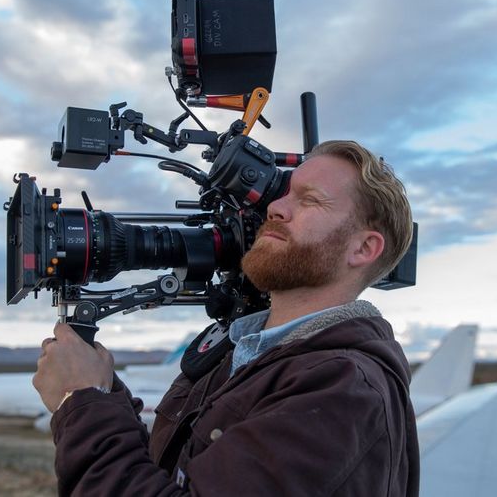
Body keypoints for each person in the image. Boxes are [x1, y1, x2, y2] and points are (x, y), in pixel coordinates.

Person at [34, 140, 419, 496]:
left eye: (310, 200)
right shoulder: (240, 352)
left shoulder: (343, 390)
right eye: (285, 194)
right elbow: (165, 474)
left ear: (364, 248)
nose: (276, 208)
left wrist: (80, 402)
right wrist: (101, 392)